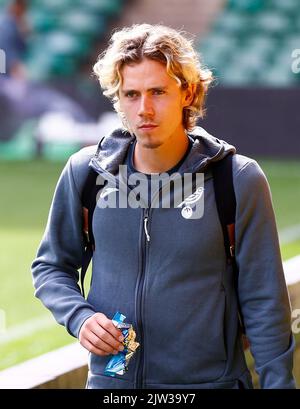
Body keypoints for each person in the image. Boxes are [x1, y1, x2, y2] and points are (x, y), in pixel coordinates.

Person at [31, 24, 296, 389]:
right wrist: (79, 317)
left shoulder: (237, 179)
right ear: (118, 98)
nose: (144, 109)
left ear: (187, 92)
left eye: (158, 92)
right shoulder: (86, 173)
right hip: (112, 388)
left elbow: (265, 301)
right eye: (131, 94)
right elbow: (50, 266)